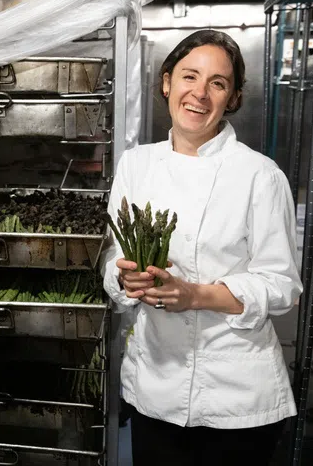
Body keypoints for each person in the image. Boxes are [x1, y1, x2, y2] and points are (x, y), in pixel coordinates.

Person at [101, 29, 302, 465]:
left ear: (232, 98)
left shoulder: (260, 176)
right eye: (189, 77)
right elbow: (113, 263)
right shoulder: (136, 165)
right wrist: (125, 277)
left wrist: (194, 295)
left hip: (237, 396)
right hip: (157, 383)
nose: (200, 94)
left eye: (218, 83)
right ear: (167, 82)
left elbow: (282, 286)